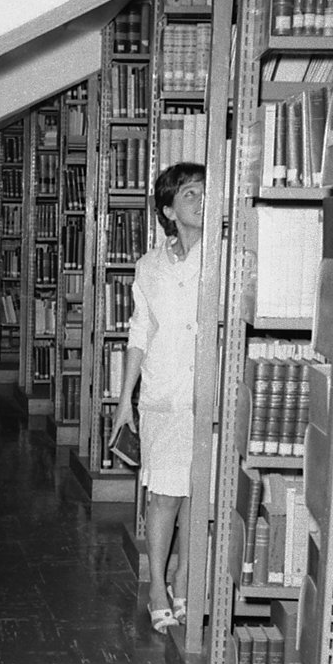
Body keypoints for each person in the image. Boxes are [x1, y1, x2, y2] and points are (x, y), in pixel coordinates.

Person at [111, 161, 205, 634]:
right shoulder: (148, 266)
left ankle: (186, 578)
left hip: (205, 396)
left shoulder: (222, 258)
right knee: (165, 495)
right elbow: (139, 332)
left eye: (205, 192)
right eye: (190, 194)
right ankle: (156, 587)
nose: (201, 201)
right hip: (163, 396)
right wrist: (124, 400)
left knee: (197, 496)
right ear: (168, 210)